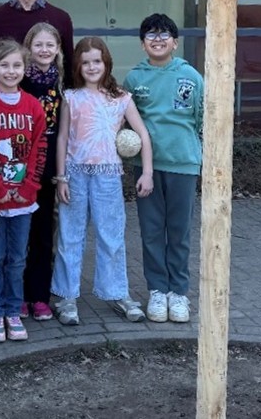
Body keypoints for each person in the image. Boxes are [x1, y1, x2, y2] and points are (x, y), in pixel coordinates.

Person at [51, 37, 153, 326]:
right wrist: (61, 178)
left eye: (97, 61)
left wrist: (147, 172)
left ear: (106, 63)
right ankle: (67, 297)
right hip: (75, 172)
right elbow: (62, 137)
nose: (91, 67)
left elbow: (143, 134)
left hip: (107, 175)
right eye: (85, 62)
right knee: (71, 235)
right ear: (77, 66)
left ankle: (117, 292)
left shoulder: (121, 98)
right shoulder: (71, 97)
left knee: (111, 234)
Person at [123, 14, 203, 323]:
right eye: (151, 36)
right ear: (142, 43)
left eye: (164, 35)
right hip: (147, 168)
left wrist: (188, 146)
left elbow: (200, 116)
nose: (158, 40)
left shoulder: (190, 76)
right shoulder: (134, 79)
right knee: (152, 231)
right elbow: (129, 120)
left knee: (179, 232)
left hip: (183, 164)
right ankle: (157, 290)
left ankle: (178, 293)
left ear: (175, 42)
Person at [0, 39, 47, 343]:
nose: (11, 70)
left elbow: (39, 149)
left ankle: (13, 310)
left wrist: (28, 187)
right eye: (4, 65)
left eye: (17, 65)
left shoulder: (33, 106)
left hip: (24, 200)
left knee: (17, 258)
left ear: (24, 68)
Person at [19, 22, 64, 321]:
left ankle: (39, 296)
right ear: (29, 48)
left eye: (50, 45)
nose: (44, 50)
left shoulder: (63, 82)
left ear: (58, 49)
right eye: (39, 45)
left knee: (43, 234)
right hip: (22, 166)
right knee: (19, 233)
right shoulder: (20, 80)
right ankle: (18, 294)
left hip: (49, 166)